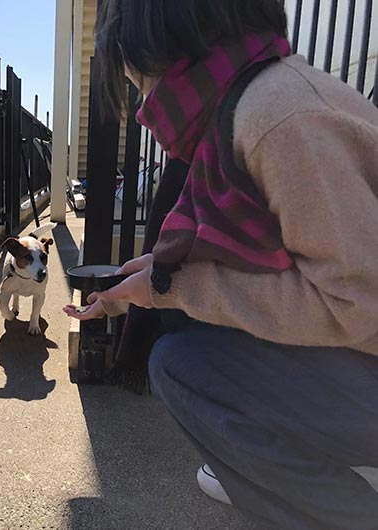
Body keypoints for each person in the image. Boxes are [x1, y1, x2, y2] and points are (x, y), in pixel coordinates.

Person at [63, 1, 378, 529]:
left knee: (183, 368)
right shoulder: (258, 98)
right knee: (191, 343)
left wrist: (175, 288)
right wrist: (148, 282)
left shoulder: (275, 120)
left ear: (165, 45)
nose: (143, 103)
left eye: (137, 78)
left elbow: (355, 305)